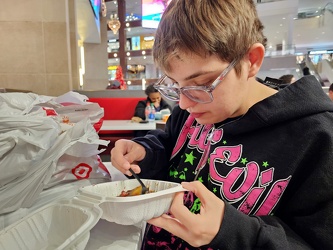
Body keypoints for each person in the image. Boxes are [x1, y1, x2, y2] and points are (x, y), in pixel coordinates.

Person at [111, 0, 333, 249]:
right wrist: (146, 153)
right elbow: (171, 146)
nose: (184, 103)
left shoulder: (318, 138)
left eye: (202, 85)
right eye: (175, 85)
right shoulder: (193, 109)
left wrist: (230, 230)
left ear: (252, 60)